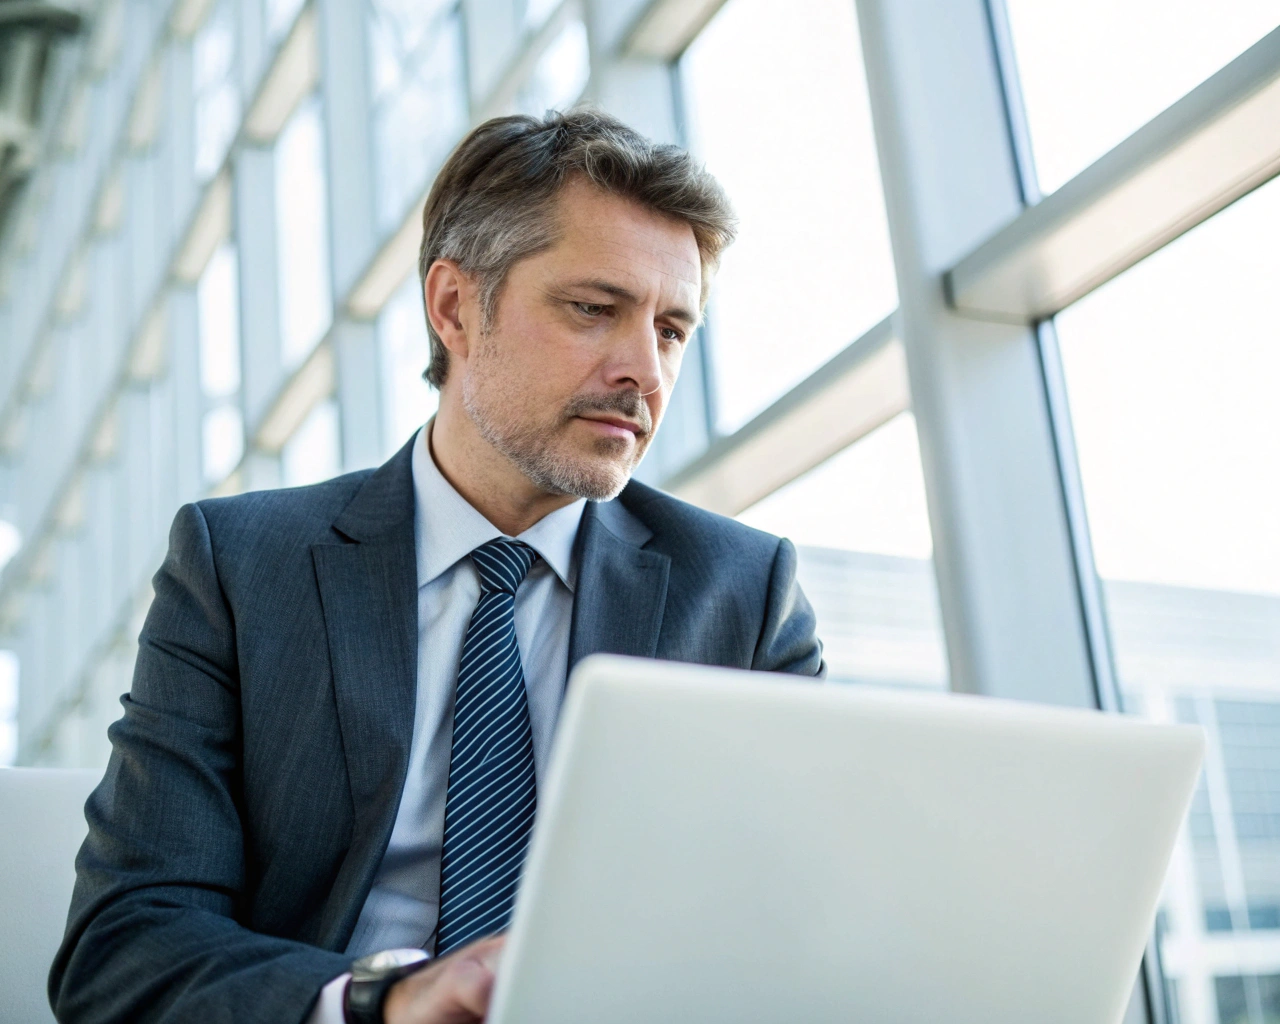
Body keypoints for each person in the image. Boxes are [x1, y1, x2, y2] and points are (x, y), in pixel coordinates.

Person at [49, 109, 824, 1024]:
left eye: (671, 330)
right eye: (593, 309)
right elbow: (126, 946)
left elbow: (803, 924)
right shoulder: (241, 568)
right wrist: (388, 1000)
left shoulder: (741, 592)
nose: (643, 370)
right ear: (454, 307)